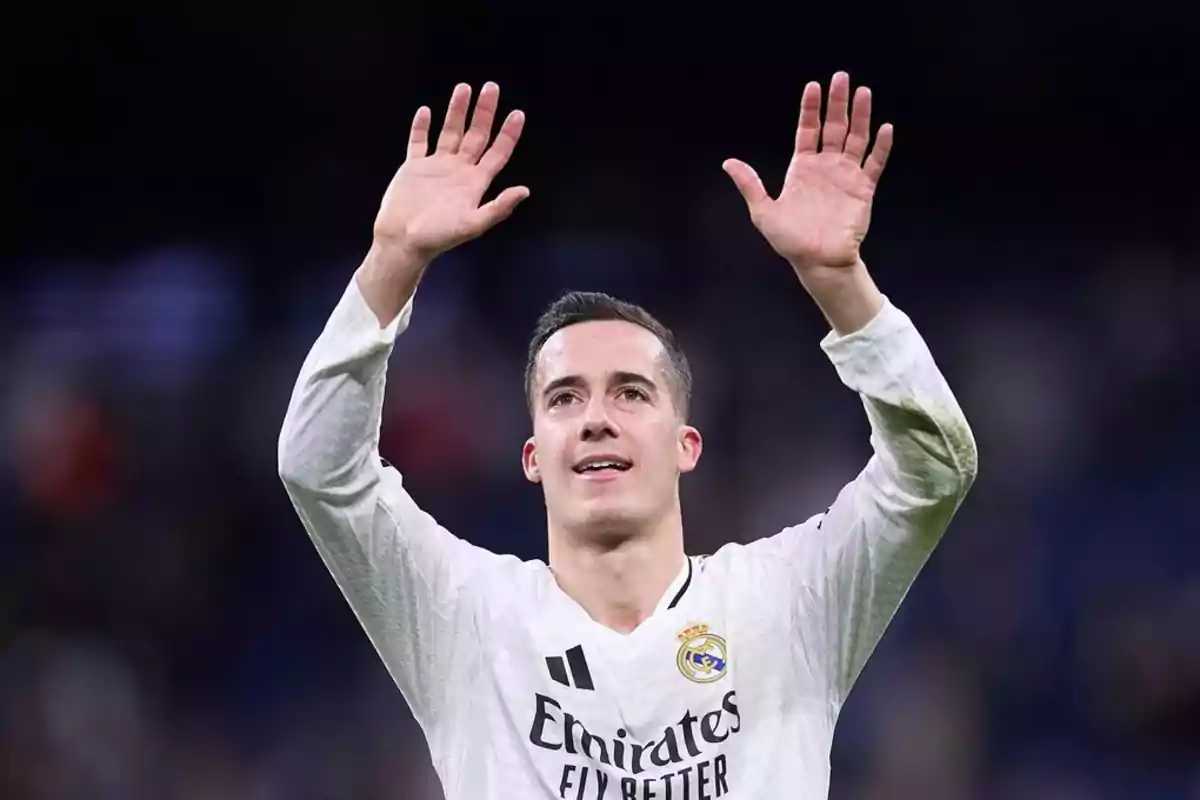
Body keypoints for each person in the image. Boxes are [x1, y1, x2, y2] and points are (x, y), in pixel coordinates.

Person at [278, 72, 978, 800]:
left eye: (631, 392)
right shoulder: (466, 618)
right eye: (565, 398)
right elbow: (321, 471)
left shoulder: (785, 605)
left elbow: (931, 471)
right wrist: (391, 260)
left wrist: (841, 283)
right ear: (532, 457)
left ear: (687, 444)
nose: (596, 417)